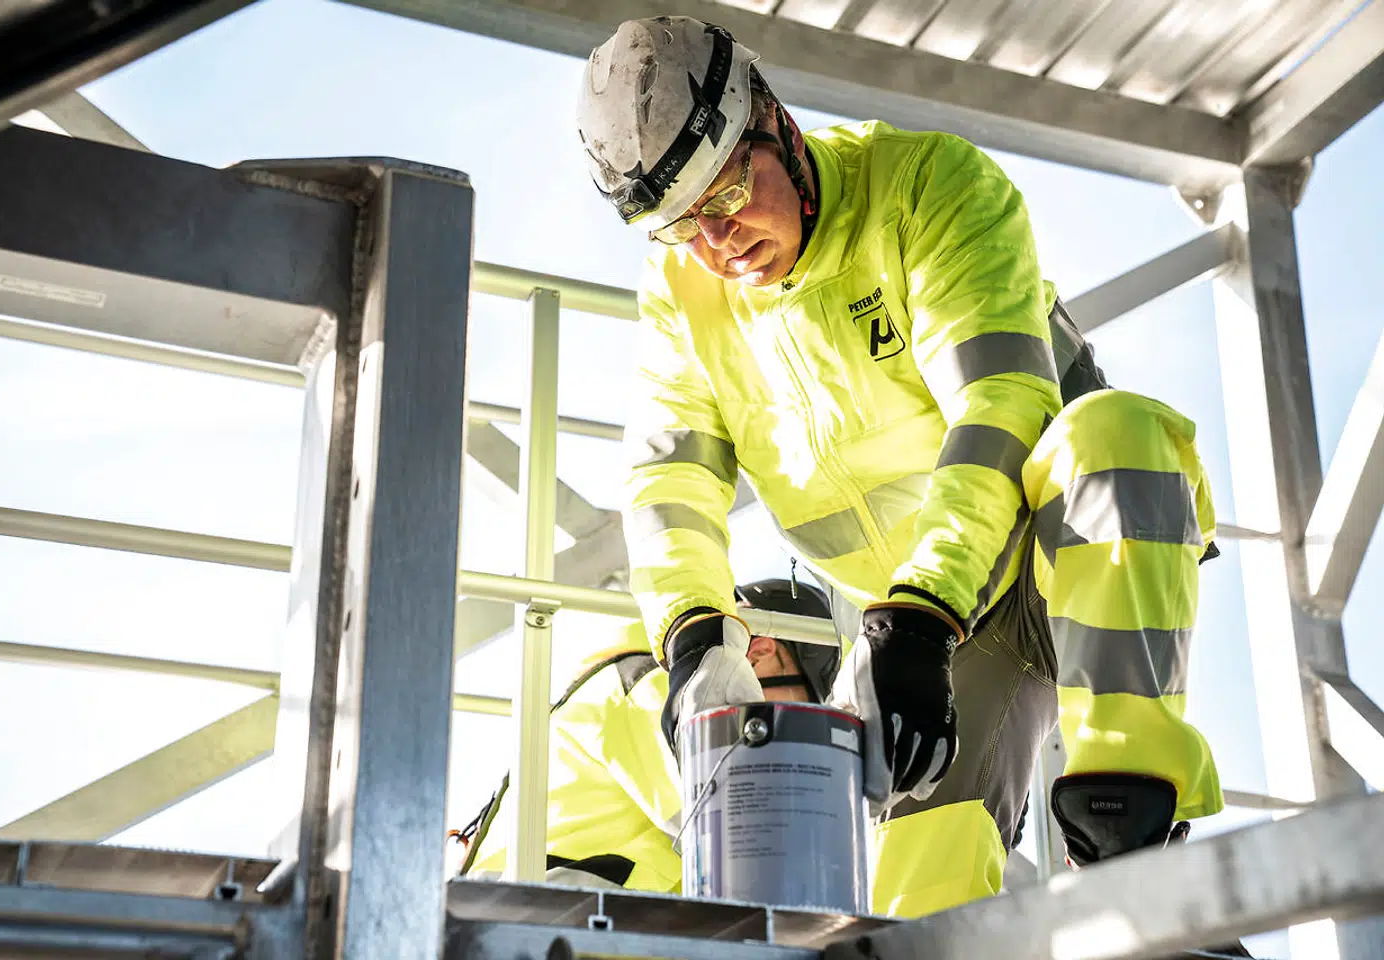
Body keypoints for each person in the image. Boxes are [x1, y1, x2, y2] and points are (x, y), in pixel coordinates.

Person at [575, 15, 1230, 923]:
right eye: (678, 227)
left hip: (1057, 556)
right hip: (928, 634)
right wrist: (693, 637)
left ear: (776, 121)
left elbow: (1000, 410)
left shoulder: (931, 187)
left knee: (1115, 437)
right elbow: (668, 482)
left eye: (725, 198)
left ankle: (1131, 853)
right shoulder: (687, 300)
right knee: (916, 917)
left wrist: (917, 614)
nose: (717, 246)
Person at [456, 578, 842, 891]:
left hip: (567, 919)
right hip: (544, 917)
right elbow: (741, 830)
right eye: (789, 709)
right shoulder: (652, 689)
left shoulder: (640, 686)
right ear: (759, 653)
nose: (779, 733)